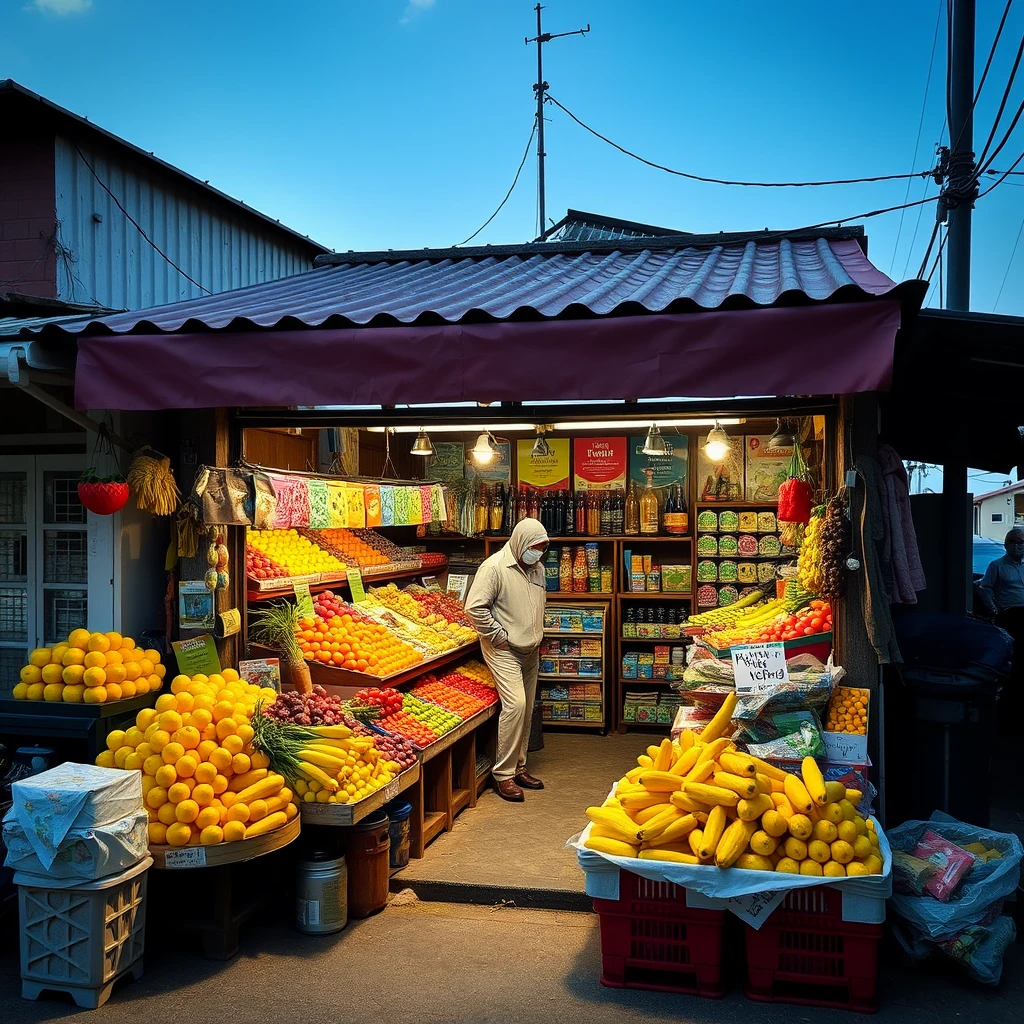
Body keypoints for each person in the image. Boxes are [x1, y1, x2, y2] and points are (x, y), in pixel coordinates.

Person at [465, 517, 549, 802]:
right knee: (516, 705)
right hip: (503, 649)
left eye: (543, 548)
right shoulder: (493, 568)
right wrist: (497, 635)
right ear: (520, 542)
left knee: (527, 711)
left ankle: (520, 765)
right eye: (535, 547)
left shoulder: (537, 569)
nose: (539, 553)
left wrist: (538, 631)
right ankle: (503, 775)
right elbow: (474, 607)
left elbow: (538, 604)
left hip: (531, 650)